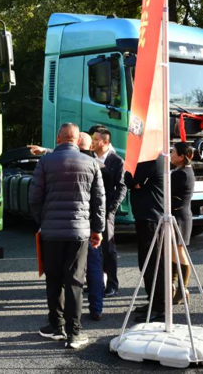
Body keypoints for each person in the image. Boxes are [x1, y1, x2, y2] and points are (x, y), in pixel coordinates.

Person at [29, 123, 105, 349]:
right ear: (77, 140)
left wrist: (42, 220)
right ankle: (74, 333)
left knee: (53, 279)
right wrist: (97, 229)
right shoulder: (91, 163)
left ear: (58, 138)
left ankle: (56, 325)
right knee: (74, 281)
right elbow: (99, 200)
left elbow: (34, 196)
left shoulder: (45, 162)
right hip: (79, 232)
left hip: (51, 232)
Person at [125, 154, 165, 322]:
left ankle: (159, 307)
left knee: (152, 263)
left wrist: (133, 180)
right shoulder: (155, 158)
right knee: (147, 262)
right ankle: (153, 301)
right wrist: (135, 183)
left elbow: (129, 180)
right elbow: (134, 182)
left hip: (150, 216)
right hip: (148, 216)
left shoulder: (151, 159)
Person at [90, 126, 126, 298]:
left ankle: (112, 284)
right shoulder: (89, 157)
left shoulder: (116, 161)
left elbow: (121, 187)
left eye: (95, 139)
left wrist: (111, 209)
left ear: (105, 142)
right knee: (90, 246)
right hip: (89, 209)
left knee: (108, 247)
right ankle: (96, 281)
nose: (92, 142)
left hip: (106, 211)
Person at [77, 132, 106, 322]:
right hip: (89, 225)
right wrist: (99, 229)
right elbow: (100, 200)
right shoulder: (97, 165)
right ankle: (96, 309)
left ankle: (69, 311)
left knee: (70, 270)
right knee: (94, 268)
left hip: (66, 227)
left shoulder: (57, 162)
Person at [169, 142, 196, 305]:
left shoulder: (182, 174)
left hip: (179, 217)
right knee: (174, 251)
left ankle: (182, 289)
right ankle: (173, 287)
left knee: (179, 252)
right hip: (179, 215)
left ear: (181, 157)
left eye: (173, 152)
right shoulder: (183, 171)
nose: (170, 155)